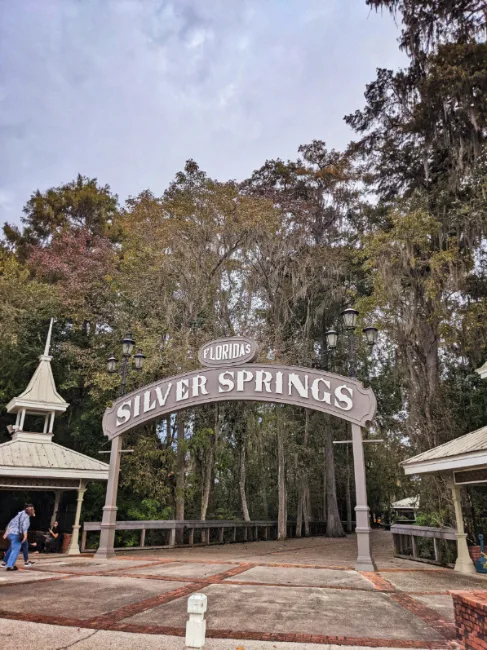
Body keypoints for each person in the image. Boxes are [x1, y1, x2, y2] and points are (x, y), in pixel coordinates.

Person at [2, 504, 35, 571]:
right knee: (15, 550)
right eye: (32, 509)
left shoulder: (19, 514)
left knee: (13, 547)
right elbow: (24, 527)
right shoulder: (26, 517)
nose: (33, 510)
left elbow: (11, 522)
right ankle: (10, 566)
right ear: (28, 510)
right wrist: (25, 536)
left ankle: (4, 562)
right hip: (16, 535)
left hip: (10, 534)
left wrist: (6, 532)